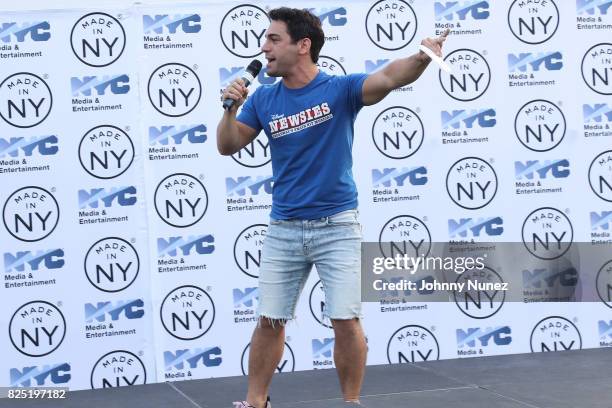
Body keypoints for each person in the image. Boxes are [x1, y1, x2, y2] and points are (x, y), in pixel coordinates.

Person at [217, 7, 448, 408]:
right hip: (284, 226)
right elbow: (227, 145)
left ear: (302, 46)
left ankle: (351, 402)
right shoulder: (264, 99)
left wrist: (423, 57)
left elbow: (391, 76)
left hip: (337, 225)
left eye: (274, 40)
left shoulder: (339, 90)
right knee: (270, 320)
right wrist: (229, 109)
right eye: (265, 40)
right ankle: (255, 403)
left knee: (344, 318)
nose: (264, 48)